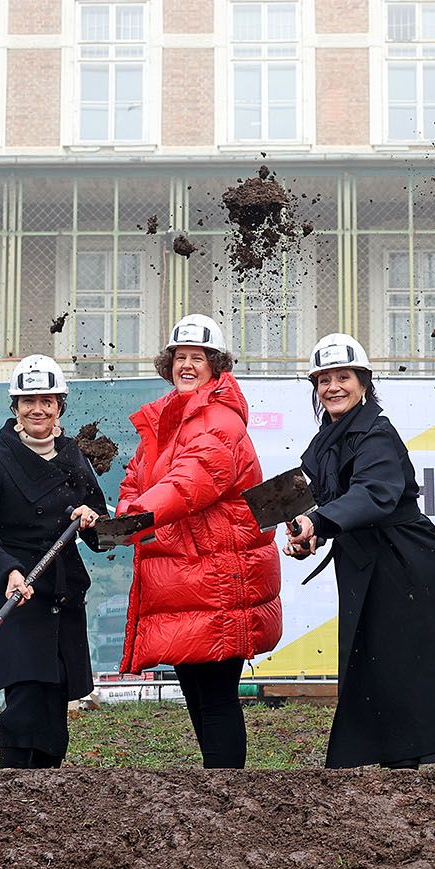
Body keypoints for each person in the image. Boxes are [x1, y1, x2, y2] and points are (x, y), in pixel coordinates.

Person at [286, 333, 435, 769]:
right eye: (323, 380)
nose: (333, 387)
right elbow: (331, 500)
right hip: (366, 557)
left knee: (403, 660)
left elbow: (374, 493)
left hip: (403, 559)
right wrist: (309, 533)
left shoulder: (376, 433)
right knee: (372, 660)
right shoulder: (328, 438)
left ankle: (413, 758)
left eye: (343, 377)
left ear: (364, 382)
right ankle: (387, 755)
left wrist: (318, 521)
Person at [116, 314, 283, 767]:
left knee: (215, 696)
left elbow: (193, 479)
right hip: (186, 576)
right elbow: (138, 478)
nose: (187, 365)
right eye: (179, 357)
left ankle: (227, 790)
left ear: (216, 365)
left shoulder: (220, 420)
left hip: (217, 575)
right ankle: (217, 789)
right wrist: (127, 511)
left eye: (198, 358)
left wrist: (137, 514)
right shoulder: (167, 418)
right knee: (197, 692)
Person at [0, 354, 109, 768]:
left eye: (47, 400)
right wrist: (7, 570)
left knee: (54, 694)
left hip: (59, 591)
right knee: (24, 691)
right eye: (28, 401)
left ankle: (48, 792)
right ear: (15, 408)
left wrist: (90, 518)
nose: (37, 409)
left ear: (60, 404)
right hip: (10, 589)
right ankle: (14, 791)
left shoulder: (73, 456)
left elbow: (100, 529)